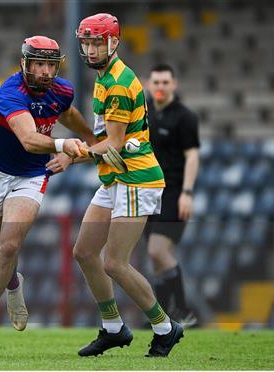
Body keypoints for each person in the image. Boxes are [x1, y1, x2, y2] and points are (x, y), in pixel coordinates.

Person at [0, 36, 97, 353]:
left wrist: (75, 151)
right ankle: (13, 285)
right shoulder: (10, 94)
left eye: (50, 65)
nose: (44, 72)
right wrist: (61, 144)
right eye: (38, 64)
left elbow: (77, 126)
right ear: (25, 64)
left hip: (30, 176)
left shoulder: (62, 91)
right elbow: (28, 139)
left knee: (9, 245)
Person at [73, 13, 184, 358]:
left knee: (114, 262)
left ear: (114, 43)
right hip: (114, 177)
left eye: (97, 42)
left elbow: (115, 144)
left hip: (136, 178)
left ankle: (165, 328)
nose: (91, 50)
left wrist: (69, 155)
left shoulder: (118, 82)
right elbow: (106, 142)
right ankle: (113, 328)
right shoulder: (104, 77)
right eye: (86, 42)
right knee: (84, 252)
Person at [145, 64, 200, 327]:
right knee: (156, 259)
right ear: (148, 84)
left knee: (158, 251)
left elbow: (192, 155)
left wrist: (187, 193)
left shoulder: (184, 117)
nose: (160, 87)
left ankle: (184, 311)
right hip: (147, 191)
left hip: (173, 192)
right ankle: (163, 320)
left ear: (174, 85)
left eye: (165, 82)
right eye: (156, 82)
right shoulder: (144, 112)